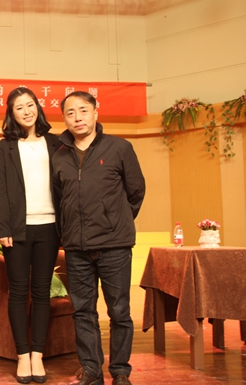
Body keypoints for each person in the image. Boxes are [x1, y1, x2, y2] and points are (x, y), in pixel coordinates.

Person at [52, 91, 145, 385]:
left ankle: (120, 371)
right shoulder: (59, 155)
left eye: (83, 110)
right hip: (76, 248)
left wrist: (115, 221)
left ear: (95, 112)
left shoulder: (120, 147)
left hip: (114, 246)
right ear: (64, 118)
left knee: (119, 311)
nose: (77, 118)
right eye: (70, 113)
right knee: (83, 312)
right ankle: (91, 370)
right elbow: (59, 200)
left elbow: (136, 192)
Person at [0, 87, 61, 384]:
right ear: (12, 114)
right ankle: (22, 354)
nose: (26, 111)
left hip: (50, 226)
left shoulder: (56, 142)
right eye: (19, 107)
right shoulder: (6, 146)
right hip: (17, 230)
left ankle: (38, 354)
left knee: (42, 292)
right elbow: (0, 189)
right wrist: (3, 228)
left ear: (38, 107)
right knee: (19, 292)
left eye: (30, 104)